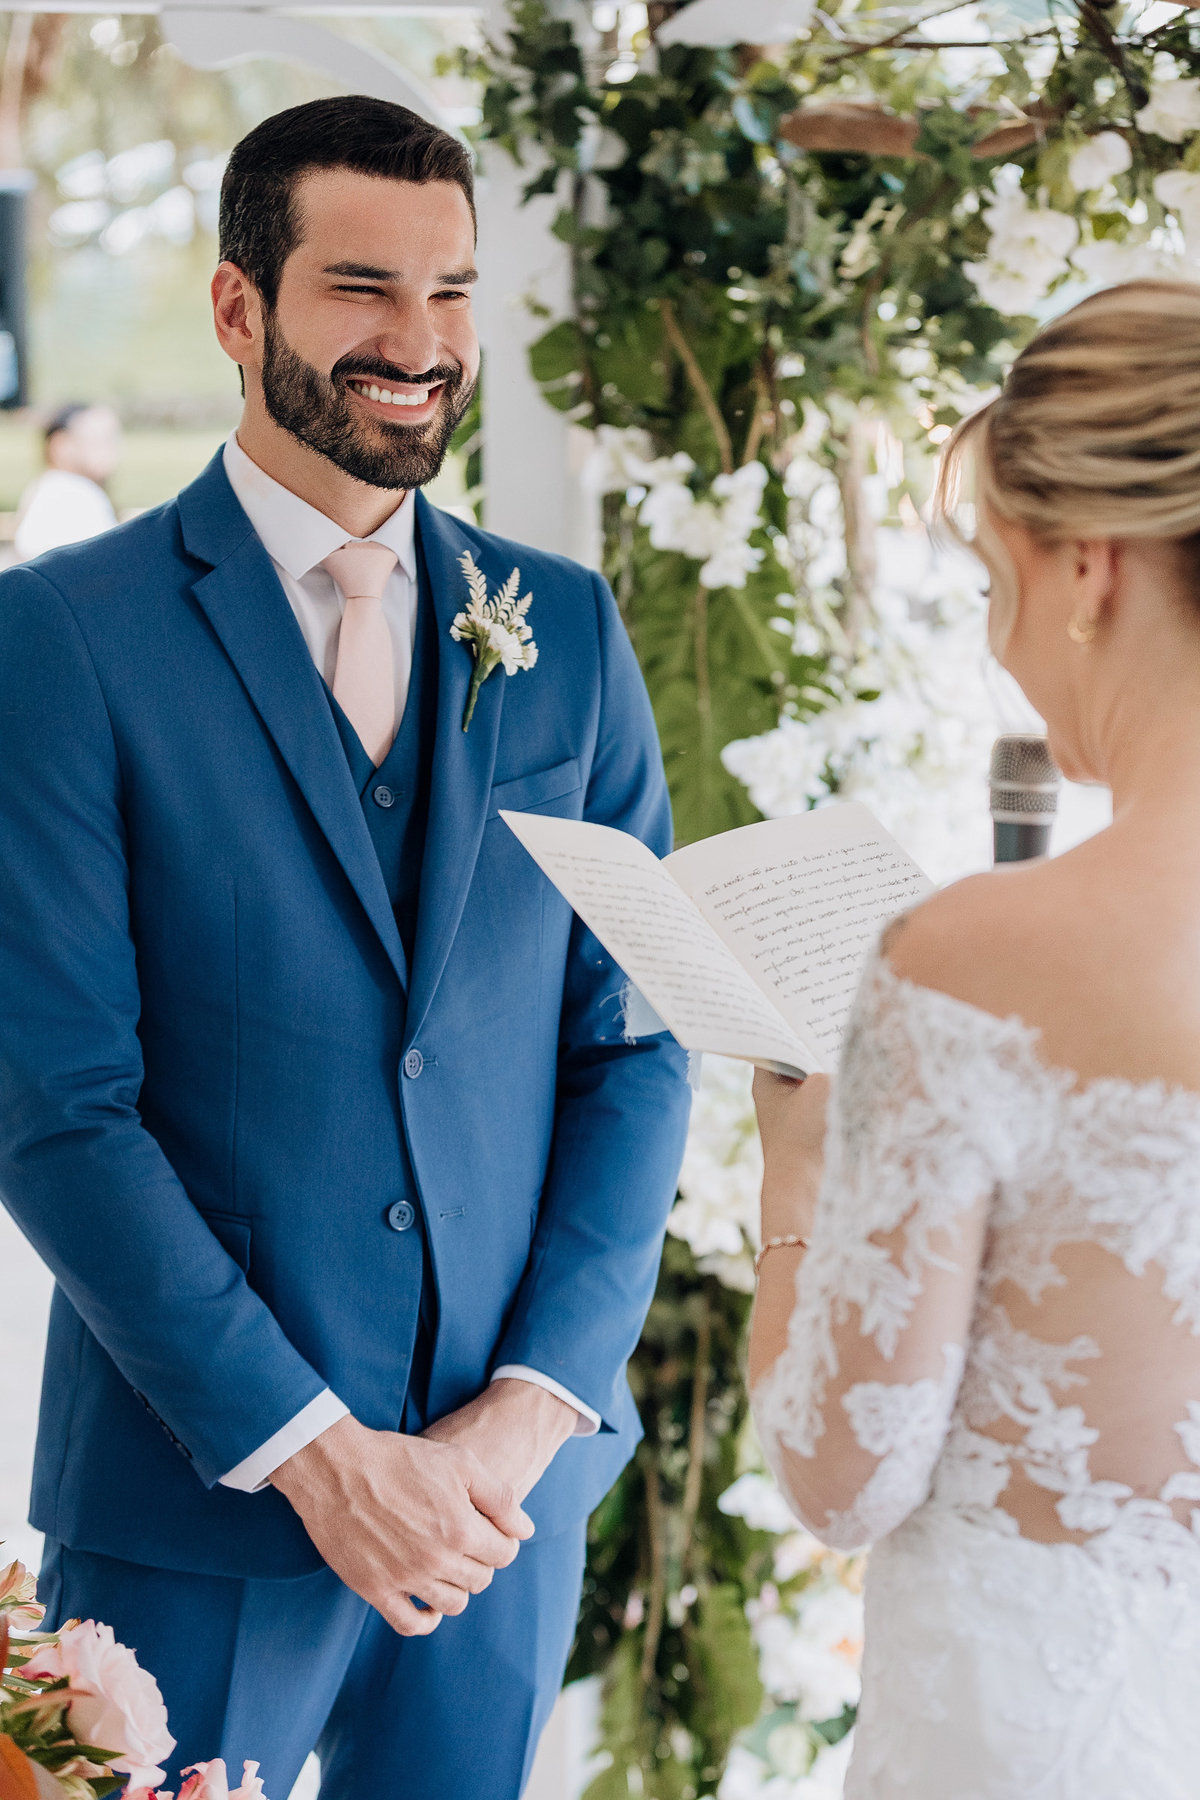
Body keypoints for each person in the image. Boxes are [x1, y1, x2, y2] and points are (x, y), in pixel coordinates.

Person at [0, 97, 692, 1799]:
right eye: (362, 288)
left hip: (496, 1513)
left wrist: (533, 1406)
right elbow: (58, 1108)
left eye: (451, 292)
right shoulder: (59, 638)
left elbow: (635, 1041)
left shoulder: (567, 629)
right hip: (198, 1497)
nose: (420, 341)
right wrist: (316, 1455)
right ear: (239, 309)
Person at [748, 279, 1200, 1799]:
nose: (1003, 644)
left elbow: (844, 1472)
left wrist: (796, 1177)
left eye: (994, 580)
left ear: (1086, 566)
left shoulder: (971, 963)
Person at [13, 401, 119, 558]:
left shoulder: (49, 488)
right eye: (97, 440)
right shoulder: (72, 495)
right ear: (61, 445)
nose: (111, 451)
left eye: (113, 440)